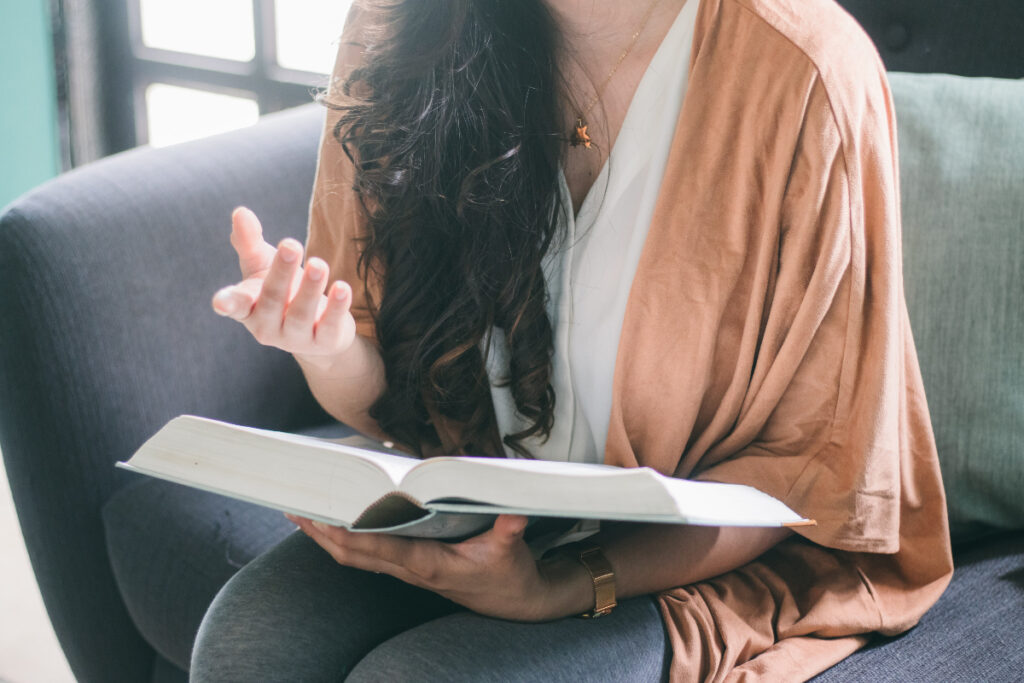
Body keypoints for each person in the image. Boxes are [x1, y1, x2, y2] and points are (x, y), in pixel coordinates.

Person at [193, 0, 953, 680]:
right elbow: (393, 397)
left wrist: (560, 586)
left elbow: (803, 475)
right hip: (476, 515)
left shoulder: (807, 71)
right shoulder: (396, 26)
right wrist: (322, 346)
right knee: (246, 645)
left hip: (703, 557)